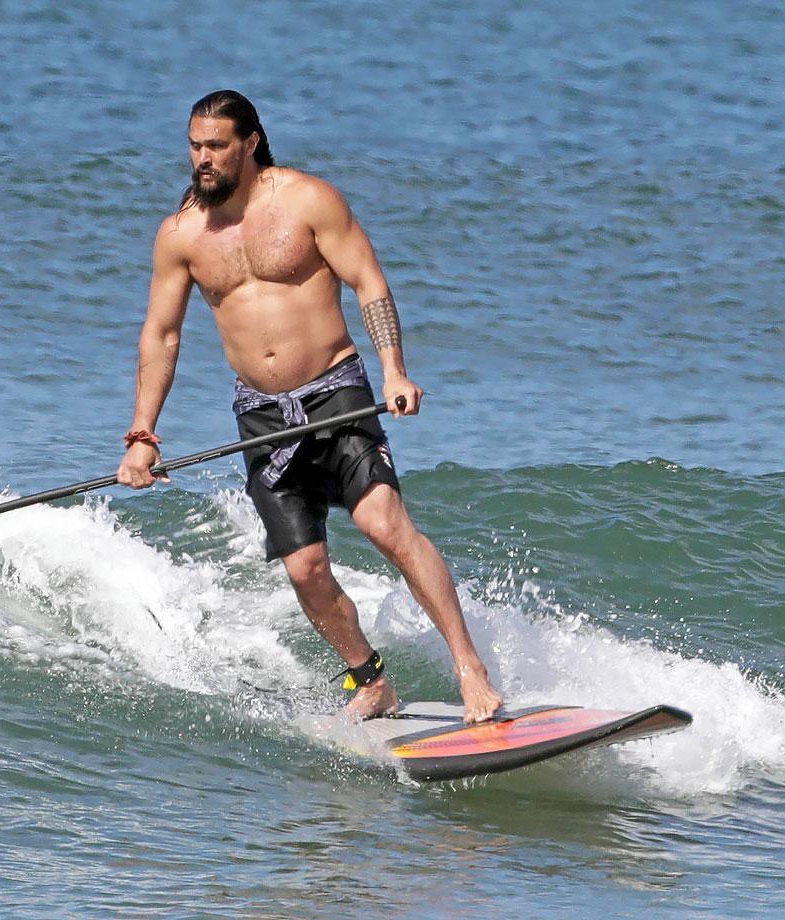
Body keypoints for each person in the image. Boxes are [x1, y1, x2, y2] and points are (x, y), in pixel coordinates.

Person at [116, 90, 502, 723]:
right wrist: (143, 435)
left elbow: (368, 281)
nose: (202, 159)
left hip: (335, 390)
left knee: (385, 527)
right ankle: (369, 678)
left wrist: (395, 370)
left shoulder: (308, 202)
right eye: (194, 146)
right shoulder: (182, 235)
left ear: (252, 142)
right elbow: (161, 335)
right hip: (261, 416)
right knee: (305, 569)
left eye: (216, 146)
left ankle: (469, 667)